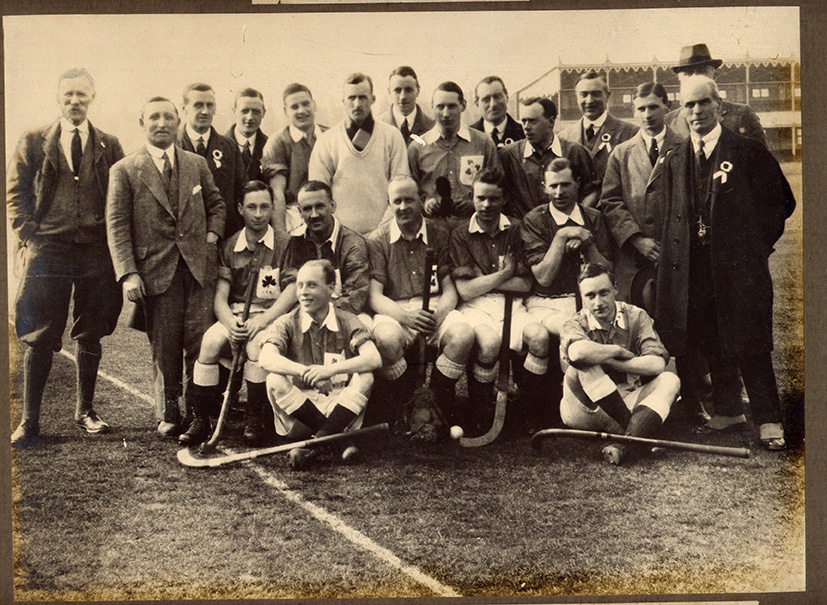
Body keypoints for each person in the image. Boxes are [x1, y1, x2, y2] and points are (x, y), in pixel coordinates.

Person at [654, 75, 795, 450]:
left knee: (750, 340)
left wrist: (754, 247)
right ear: (681, 111)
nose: (696, 111)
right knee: (709, 337)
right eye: (689, 105)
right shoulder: (674, 158)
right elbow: (670, 216)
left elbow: (781, 204)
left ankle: (769, 419)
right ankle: (729, 409)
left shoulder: (747, 151)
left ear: (719, 104)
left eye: (703, 103)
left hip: (738, 268)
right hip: (694, 270)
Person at [7, 68, 125, 446]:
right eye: (69, 94)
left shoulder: (109, 143)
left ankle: (85, 411)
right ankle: (30, 421)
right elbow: (15, 191)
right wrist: (28, 233)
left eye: (82, 95)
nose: (75, 101)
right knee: (40, 333)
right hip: (49, 250)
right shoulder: (33, 140)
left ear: (93, 97)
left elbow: (120, 195)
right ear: (58, 97)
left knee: (91, 329)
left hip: (94, 250)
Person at [107, 96, 226, 437]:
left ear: (178, 121)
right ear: (141, 123)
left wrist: (211, 236)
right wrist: (128, 273)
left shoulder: (196, 163)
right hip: (156, 272)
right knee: (166, 346)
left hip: (198, 269)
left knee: (199, 343)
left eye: (168, 117)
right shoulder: (125, 170)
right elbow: (116, 225)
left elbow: (216, 203)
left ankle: (198, 413)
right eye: (154, 117)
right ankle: (169, 414)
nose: (162, 123)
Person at [179, 181, 294, 446]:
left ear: (273, 208)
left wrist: (262, 321)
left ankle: (256, 417)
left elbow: (289, 293)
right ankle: (203, 417)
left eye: (265, 207)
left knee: (256, 348)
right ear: (240, 208)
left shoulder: (286, 244)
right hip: (236, 316)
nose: (258, 213)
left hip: (269, 316)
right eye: (251, 207)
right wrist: (230, 324)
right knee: (209, 343)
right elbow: (220, 297)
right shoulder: (230, 245)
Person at [448, 167, 551, 434]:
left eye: (493, 199)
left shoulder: (517, 229)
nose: (486, 205)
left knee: (539, 337)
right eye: (480, 198)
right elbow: (466, 292)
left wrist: (485, 279)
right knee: (490, 343)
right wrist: (505, 273)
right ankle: (482, 411)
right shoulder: (460, 233)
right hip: (475, 308)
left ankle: (530, 411)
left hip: (514, 305)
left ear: (504, 199)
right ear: (472, 197)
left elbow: (525, 283)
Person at [366, 176, 475, 428]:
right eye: (397, 201)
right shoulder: (377, 239)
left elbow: (449, 290)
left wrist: (438, 316)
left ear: (422, 200)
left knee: (462, 335)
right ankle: (408, 402)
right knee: (385, 340)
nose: (403, 207)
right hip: (396, 310)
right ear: (388, 204)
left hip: (436, 307)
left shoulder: (439, 233)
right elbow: (375, 295)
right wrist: (406, 318)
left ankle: (433, 400)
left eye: (409, 200)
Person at [258, 259, 382, 469]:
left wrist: (329, 370)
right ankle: (338, 441)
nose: (303, 292)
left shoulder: (348, 320)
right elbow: (265, 358)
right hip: (299, 415)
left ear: (331, 288)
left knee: (366, 375)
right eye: (300, 285)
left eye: (312, 285)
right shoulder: (287, 322)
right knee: (274, 378)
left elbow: (374, 358)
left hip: (341, 409)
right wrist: (306, 373)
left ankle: (317, 445)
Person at [560, 263, 681, 466]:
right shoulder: (574, 322)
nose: (598, 302)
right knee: (582, 363)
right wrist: (616, 351)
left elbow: (656, 364)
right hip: (585, 409)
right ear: (582, 297)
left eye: (604, 292)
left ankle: (622, 444)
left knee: (670, 379)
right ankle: (638, 435)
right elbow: (578, 352)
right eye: (590, 296)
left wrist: (613, 363)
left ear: (615, 288)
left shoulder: (636, 316)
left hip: (626, 399)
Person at [599, 82, 685, 305]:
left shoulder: (685, 148)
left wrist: (671, 243)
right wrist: (637, 240)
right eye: (641, 109)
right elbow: (610, 202)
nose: (647, 115)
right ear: (633, 111)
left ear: (667, 106)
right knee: (636, 316)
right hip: (633, 257)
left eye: (653, 107)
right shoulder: (621, 153)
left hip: (675, 252)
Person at [308, 72, 409, 235]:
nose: (357, 104)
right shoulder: (326, 141)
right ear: (343, 101)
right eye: (351, 98)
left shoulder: (392, 136)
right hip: (340, 236)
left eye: (362, 97)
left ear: (373, 99)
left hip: (385, 234)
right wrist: (339, 234)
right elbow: (318, 196)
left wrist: (382, 231)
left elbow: (401, 189)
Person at [521, 158, 612, 338]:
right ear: (544, 186)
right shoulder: (535, 220)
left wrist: (588, 244)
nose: (559, 192)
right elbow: (544, 278)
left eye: (565, 185)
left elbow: (607, 272)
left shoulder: (594, 217)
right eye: (553, 186)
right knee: (575, 335)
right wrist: (562, 236)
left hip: (591, 301)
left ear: (577, 183)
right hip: (547, 303)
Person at [408, 81, 500, 225]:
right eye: (440, 107)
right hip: (433, 229)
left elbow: (497, 186)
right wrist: (426, 203)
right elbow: (410, 191)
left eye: (452, 106)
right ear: (432, 106)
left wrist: (474, 204)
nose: (446, 114)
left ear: (463, 105)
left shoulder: (483, 143)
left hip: (472, 227)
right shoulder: (417, 148)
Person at [280, 181, 370, 316]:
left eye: (320, 206)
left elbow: (354, 299)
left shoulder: (353, 243)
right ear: (299, 212)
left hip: (344, 316)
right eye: (307, 209)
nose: (314, 215)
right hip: (302, 316)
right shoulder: (294, 241)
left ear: (332, 206)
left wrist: (318, 314)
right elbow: (288, 288)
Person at [499, 96, 598, 218]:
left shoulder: (575, 152)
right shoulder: (509, 155)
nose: (526, 127)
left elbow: (593, 190)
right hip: (524, 232)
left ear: (551, 122)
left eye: (533, 121)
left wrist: (575, 218)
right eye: (523, 121)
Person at [178, 82, 247, 238]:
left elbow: (241, 190)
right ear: (184, 109)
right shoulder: (173, 146)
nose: (205, 111)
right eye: (198, 105)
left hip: (225, 234)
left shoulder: (229, 147)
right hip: (184, 237)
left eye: (210, 105)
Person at [558, 71, 639, 204]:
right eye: (584, 94)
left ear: (607, 96)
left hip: (614, 213)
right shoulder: (563, 138)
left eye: (596, 94)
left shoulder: (630, 133)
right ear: (576, 97)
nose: (589, 101)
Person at [665, 43, 768, 147]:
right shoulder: (668, 121)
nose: (695, 77)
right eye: (688, 73)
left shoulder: (740, 115)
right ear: (679, 78)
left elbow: (762, 159)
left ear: (714, 75)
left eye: (701, 71)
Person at [261, 83, 327, 234]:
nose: (301, 111)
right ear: (286, 111)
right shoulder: (278, 142)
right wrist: (281, 237)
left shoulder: (329, 136)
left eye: (305, 104)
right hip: (295, 216)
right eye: (294, 107)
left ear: (314, 105)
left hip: (327, 211)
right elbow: (278, 194)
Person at [376, 66, 435, 146]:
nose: (403, 97)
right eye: (397, 90)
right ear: (389, 92)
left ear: (417, 91)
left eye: (408, 90)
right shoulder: (376, 127)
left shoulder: (433, 128)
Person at [225, 88, 268, 184]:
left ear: (264, 113)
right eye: (244, 111)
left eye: (256, 112)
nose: (250, 117)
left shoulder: (270, 147)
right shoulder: (219, 146)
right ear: (234, 111)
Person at [470, 76, 525, 148]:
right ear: (477, 103)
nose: (493, 104)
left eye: (497, 97)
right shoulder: (468, 136)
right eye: (486, 99)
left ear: (507, 97)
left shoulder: (524, 133)